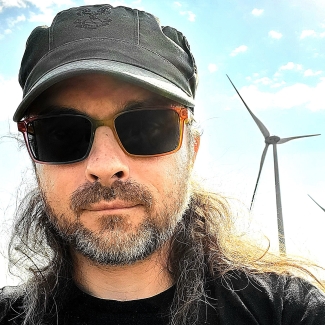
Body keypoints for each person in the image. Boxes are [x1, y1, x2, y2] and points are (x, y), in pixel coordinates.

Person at [1, 4, 324, 325]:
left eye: (147, 128)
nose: (105, 164)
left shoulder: (285, 313)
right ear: (33, 156)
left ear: (192, 151)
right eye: (61, 134)